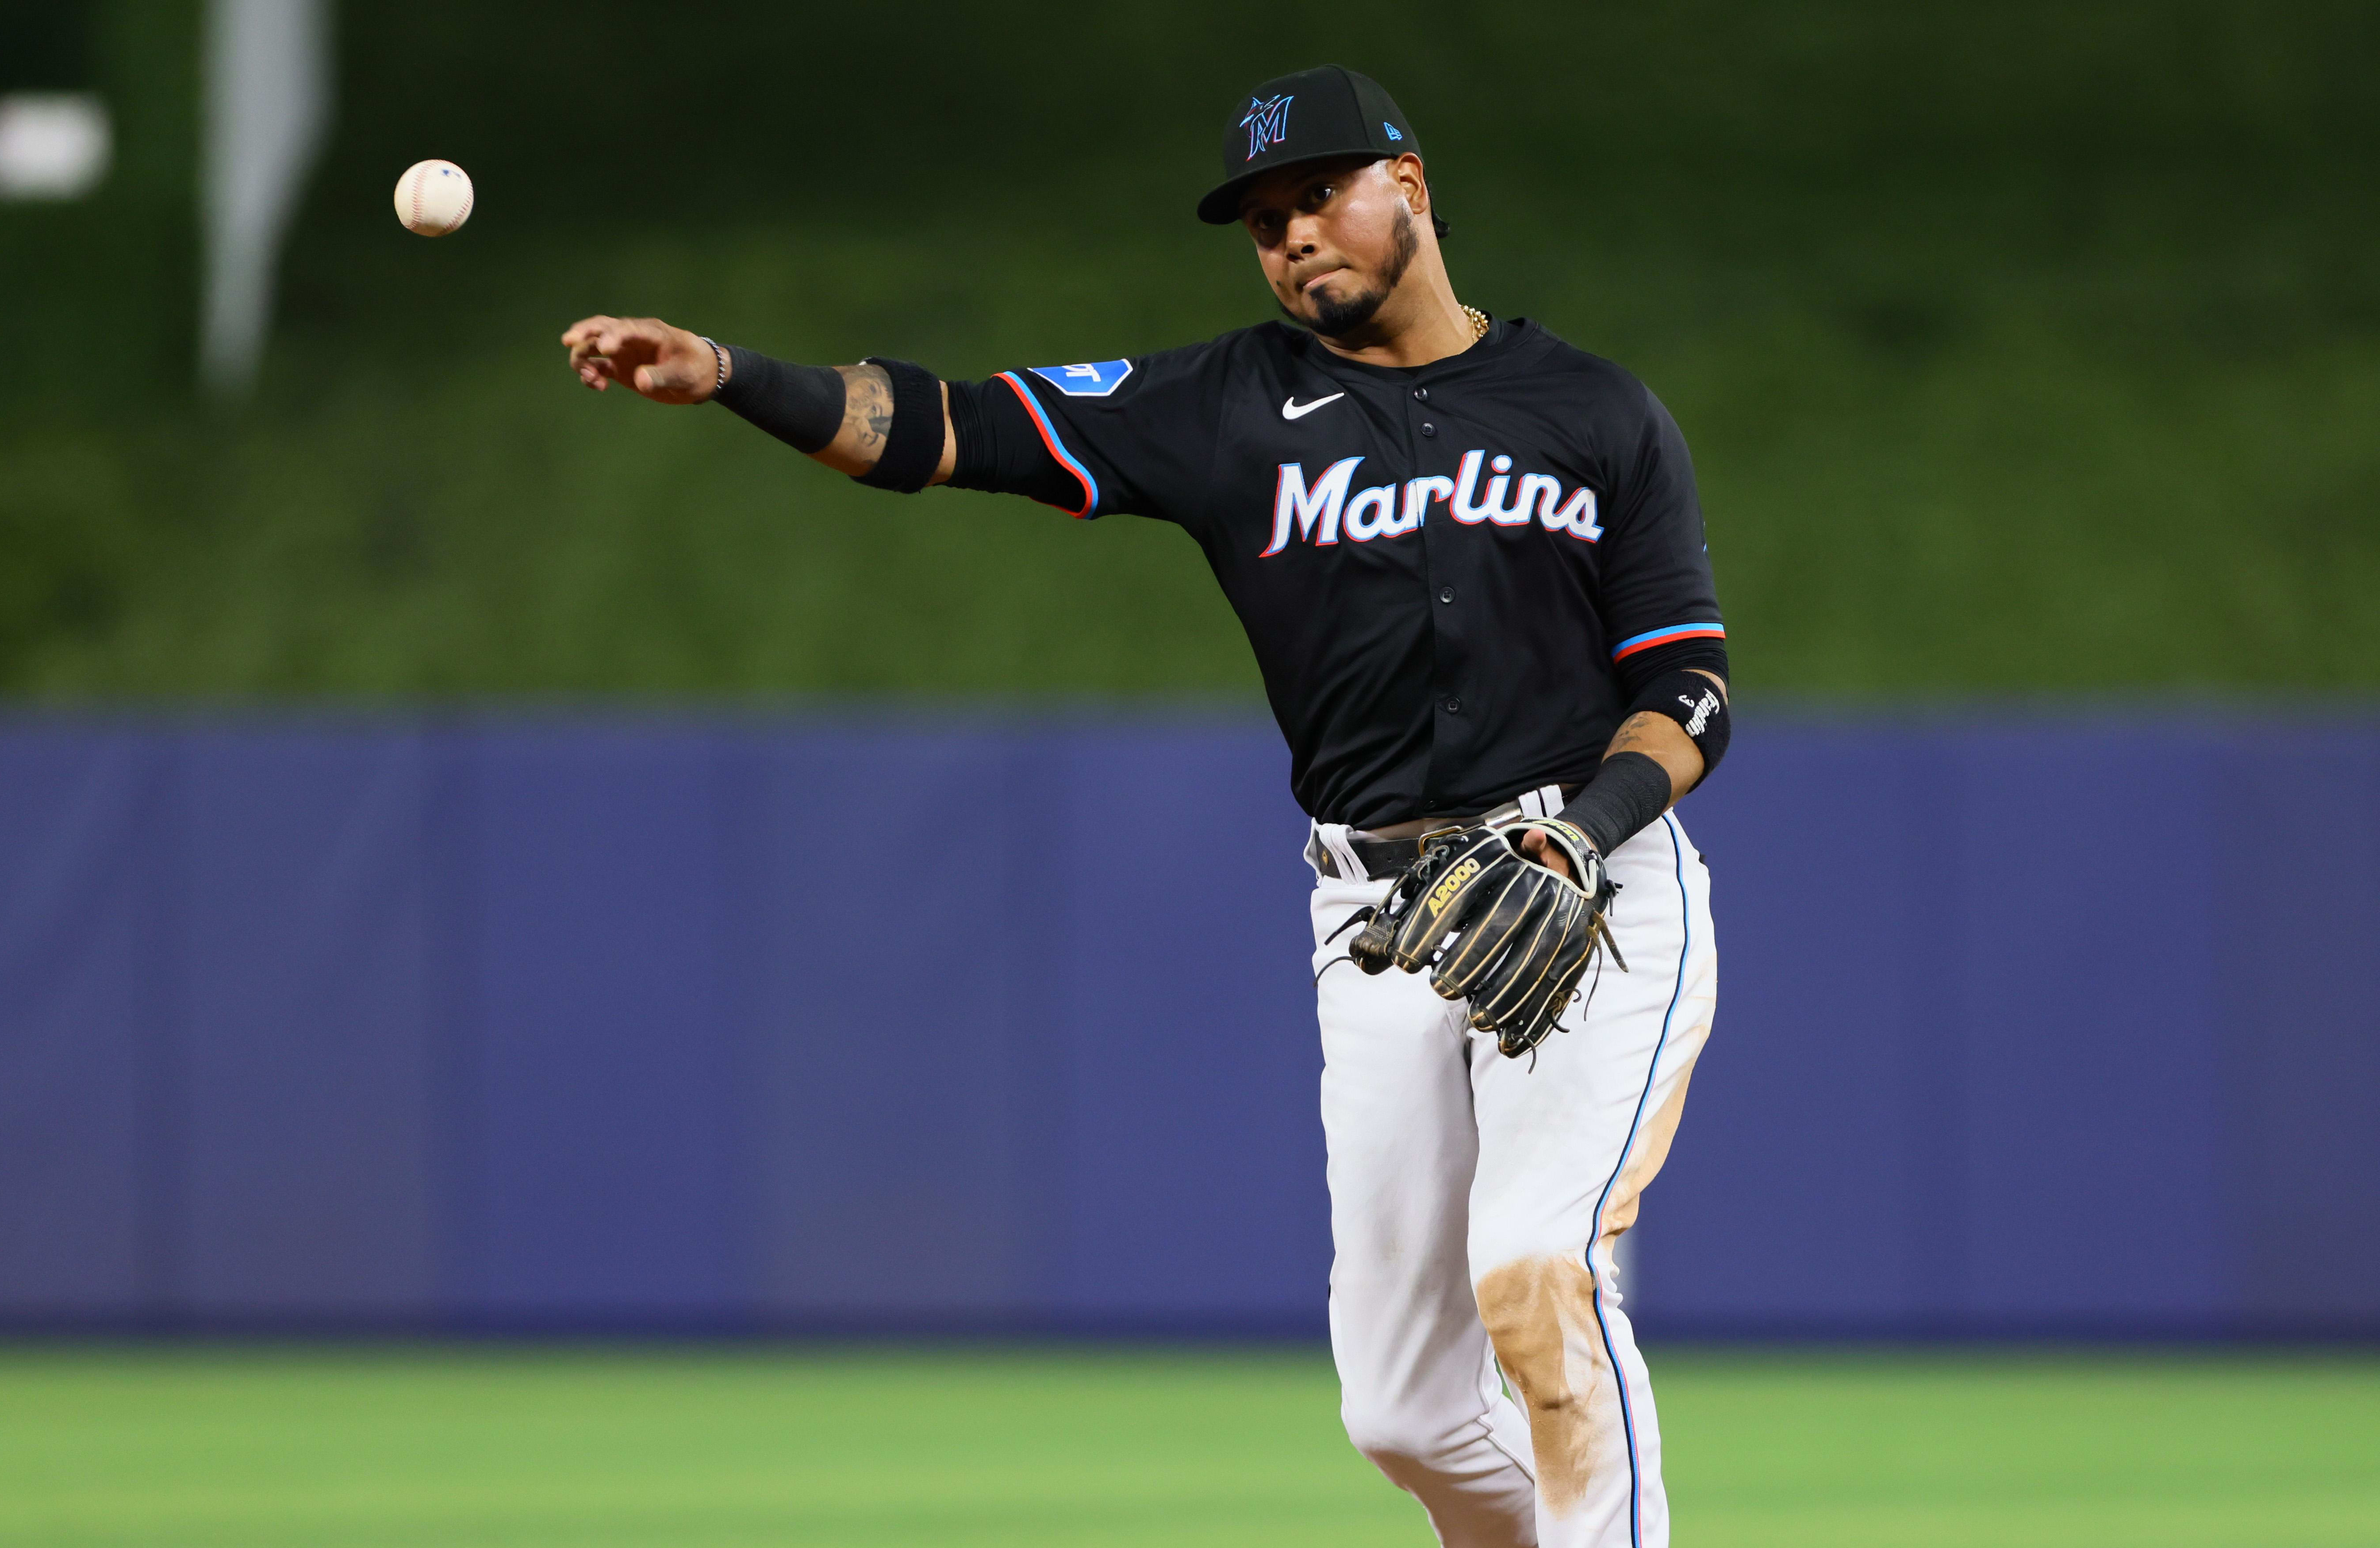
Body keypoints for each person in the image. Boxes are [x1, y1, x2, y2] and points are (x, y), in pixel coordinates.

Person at [563, 64, 1727, 1548]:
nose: (1292, 232)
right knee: (1404, 1410)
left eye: (1319, 193)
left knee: (1532, 1271)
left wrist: (1581, 828)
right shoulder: (1230, 406)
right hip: (1377, 920)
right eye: (1262, 219)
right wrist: (732, 373)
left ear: (1412, 186)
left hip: (1594, 888)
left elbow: (1689, 682)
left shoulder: (1594, 410)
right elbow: (948, 428)